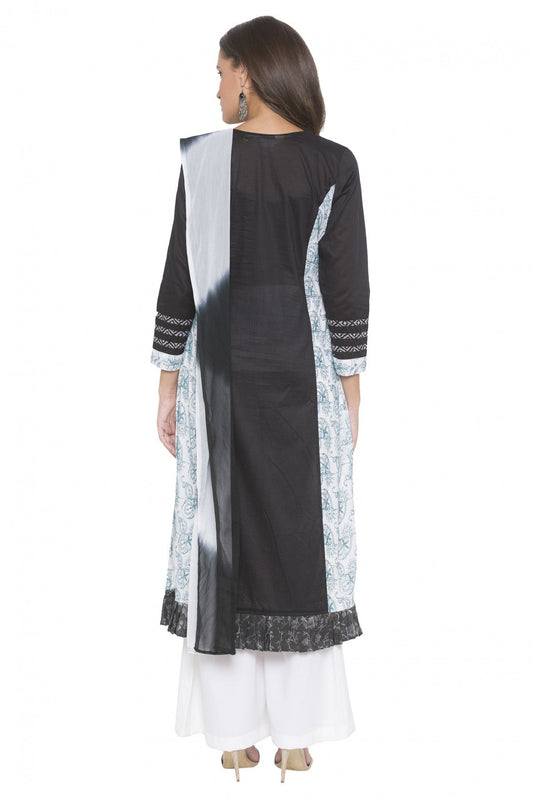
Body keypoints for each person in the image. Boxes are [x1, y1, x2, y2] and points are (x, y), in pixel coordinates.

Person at [150, 15, 370, 783]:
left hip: (217, 373)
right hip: (300, 374)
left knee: (222, 543)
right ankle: (298, 736)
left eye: (219, 70)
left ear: (247, 71)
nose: (215, 86)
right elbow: (345, 286)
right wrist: (349, 391)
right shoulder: (332, 163)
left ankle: (232, 735)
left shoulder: (206, 161)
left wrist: (167, 381)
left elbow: (182, 277)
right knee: (297, 545)